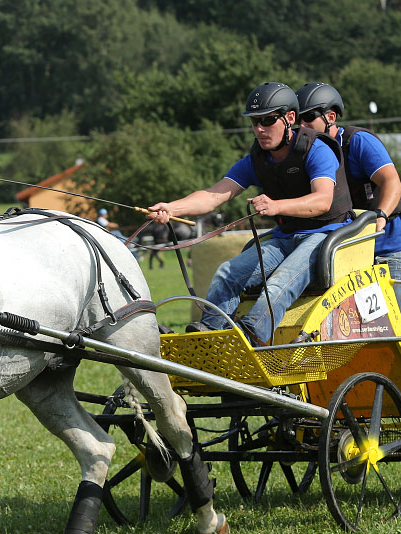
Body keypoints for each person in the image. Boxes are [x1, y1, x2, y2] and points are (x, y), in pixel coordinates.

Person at [148, 82, 354, 345]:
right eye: (255, 122)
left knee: (278, 285)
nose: (259, 129)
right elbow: (214, 195)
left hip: (325, 235)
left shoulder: (316, 149)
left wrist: (277, 206)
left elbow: (322, 201)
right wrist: (171, 207)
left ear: (290, 118)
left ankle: (249, 339)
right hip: (285, 237)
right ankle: (207, 338)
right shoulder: (258, 159)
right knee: (227, 273)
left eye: (268, 120)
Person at [296, 81, 401, 333]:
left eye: (308, 118)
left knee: (396, 327)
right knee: (364, 327)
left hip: (389, 246)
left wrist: (381, 216)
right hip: (352, 251)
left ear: (330, 117)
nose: (302, 126)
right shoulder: (309, 152)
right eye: (297, 120)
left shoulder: (357, 141)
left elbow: (393, 183)